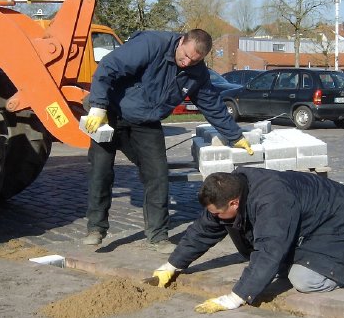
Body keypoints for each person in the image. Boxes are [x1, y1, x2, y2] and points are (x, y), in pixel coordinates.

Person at [83, 29, 253, 254]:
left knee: (158, 175)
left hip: (146, 122)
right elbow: (109, 66)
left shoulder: (196, 73)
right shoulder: (151, 44)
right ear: (181, 41)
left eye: (194, 60)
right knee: (101, 171)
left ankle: (157, 235)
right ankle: (96, 229)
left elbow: (211, 104)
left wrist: (236, 136)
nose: (186, 63)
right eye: (185, 55)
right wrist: (98, 105)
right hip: (111, 113)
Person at [153, 167, 344, 313]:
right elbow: (203, 230)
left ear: (234, 203)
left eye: (218, 213)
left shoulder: (272, 200)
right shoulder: (231, 188)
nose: (215, 217)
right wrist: (171, 266)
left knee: (304, 280)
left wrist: (235, 297)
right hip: (313, 218)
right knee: (276, 265)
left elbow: (269, 248)